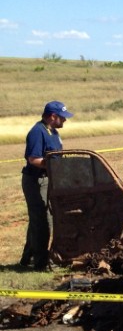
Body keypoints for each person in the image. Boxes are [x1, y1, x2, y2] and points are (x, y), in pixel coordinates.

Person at [21, 101, 72, 270]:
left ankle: (28, 257)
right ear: (52, 116)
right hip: (37, 180)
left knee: (38, 219)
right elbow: (33, 159)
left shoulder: (53, 132)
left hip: (49, 179)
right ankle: (41, 263)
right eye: (62, 117)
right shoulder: (37, 132)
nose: (65, 120)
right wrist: (52, 166)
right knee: (43, 221)